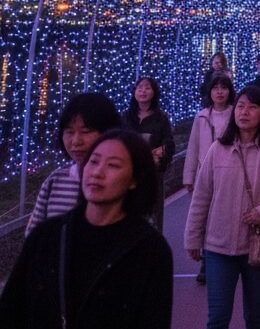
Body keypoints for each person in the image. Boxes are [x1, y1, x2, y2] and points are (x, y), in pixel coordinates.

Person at [0, 129, 173, 329]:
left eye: (113, 165)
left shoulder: (149, 250)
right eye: (93, 162)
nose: (97, 173)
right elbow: (11, 314)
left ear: (134, 180)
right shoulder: (47, 236)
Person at [185, 85, 260, 329]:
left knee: (255, 315)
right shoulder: (218, 149)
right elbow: (201, 197)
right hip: (218, 248)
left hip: (257, 247)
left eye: (252, 107)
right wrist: (193, 237)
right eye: (240, 106)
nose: (244, 112)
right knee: (217, 318)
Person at [26, 91, 121, 235]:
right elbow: (33, 239)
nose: (76, 142)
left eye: (86, 131)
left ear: (109, 132)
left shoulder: (123, 181)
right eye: (69, 132)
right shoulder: (56, 180)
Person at [183, 74, 236, 285]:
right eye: (216, 88)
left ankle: (226, 256)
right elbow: (193, 146)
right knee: (204, 216)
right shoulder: (202, 117)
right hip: (205, 173)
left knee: (225, 215)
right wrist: (189, 176)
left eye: (224, 88)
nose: (220, 92)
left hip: (229, 173)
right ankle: (206, 262)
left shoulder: (236, 115)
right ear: (210, 92)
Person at [122, 75, 175, 233]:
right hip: (127, 174)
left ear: (154, 92)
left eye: (147, 87)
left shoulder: (161, 118)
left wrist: (160, 153)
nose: (143, 91)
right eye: (139, 87)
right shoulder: (126, 117)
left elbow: (169, 144)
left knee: (153, 215)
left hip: (152, 174)